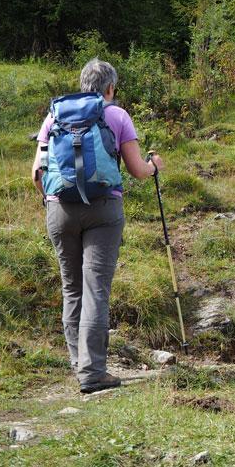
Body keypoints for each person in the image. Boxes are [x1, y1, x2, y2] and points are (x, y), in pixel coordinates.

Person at [31, 58, 164, 393]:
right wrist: (155, 166)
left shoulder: (54, 115)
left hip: (60, 209)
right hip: (104, 209)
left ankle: (80, 366)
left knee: (72, 287)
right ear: (110, 88)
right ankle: (92, 372)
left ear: (82, 83)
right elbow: (136, 169)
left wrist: (53, 201)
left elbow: (37, 173)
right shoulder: (116, 115)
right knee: (96, 288)